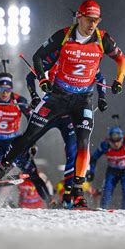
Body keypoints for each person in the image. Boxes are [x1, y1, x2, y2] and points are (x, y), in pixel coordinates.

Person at [0, 0, 125, 209]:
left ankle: (77, 193)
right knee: (30, 135)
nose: (92, 24)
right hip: (57, 97)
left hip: (82, 100)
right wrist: (42, 80)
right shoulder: (64, 35)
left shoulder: (103, 40)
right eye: (88, 19)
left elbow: (122, 61)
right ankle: (0, 169)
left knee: (83, 142)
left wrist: (118, 80)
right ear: (79, 17)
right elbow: (38, 57)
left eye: (95, 20)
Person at [25, 51, 108, 208]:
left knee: (73, 151)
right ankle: (11, 165)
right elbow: (30, 77)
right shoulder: (52, 58)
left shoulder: (81, 60)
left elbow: (101, 79)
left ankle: (70, 195)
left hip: (68, 115)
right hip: (51, 112)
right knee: (28, 138)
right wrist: (34, 96)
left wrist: (102, 97)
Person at [0, 73, 51, 206]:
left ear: (11, 89)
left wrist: (32, 141)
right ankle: (3, 202)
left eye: (8, 90)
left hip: (15, 144)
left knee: (33, 174)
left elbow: (33, 120)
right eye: (1, 89)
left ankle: (51, 201)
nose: (4, 93)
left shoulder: (20, 101)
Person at [87, 126, 125, 209]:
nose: (116, 144)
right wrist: (91, 171)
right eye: (113, 142)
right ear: (109, 140)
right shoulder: (105, 145)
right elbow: (94, 158)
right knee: (107, 191)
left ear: (122, 139)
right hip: (112, 171)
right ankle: (103, 209)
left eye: (118, 141)